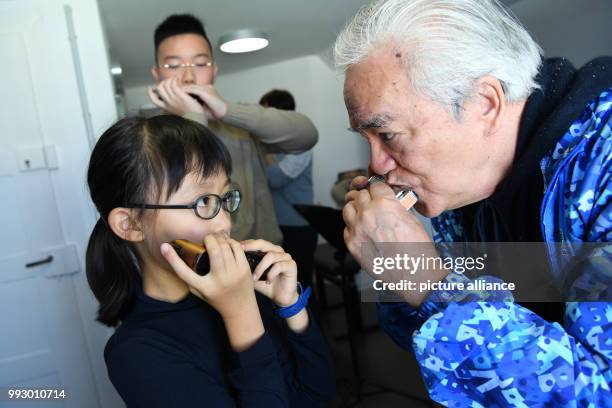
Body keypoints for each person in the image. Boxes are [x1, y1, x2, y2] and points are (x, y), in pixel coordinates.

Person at [334, 0, 611, 406]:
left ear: (485, 103)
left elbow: (601, 389)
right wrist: (393, 261)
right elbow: (423, 338)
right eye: (367, 140)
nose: (376, 165)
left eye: (388, 135)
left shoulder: (603, 162)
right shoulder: (466, 183)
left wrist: (428, 282)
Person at [85, 115, 335, 407]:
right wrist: (241, 314)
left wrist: (291, 306)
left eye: (224, 197)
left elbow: (319, 391)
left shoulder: (245, 286)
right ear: (130, 224)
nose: (224, 223)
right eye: (202, 202)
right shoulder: (137, 353)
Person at [147, 14, 318, 244]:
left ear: (214, 70)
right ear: (157, 74)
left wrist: (226, 110)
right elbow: (199, 193)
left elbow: (306, 135)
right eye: (174, 65)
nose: (188, 77)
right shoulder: (146, 138)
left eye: (199, 64)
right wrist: (194, 116)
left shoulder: (236, 123)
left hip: (260, 264)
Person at [260, 89, 317, 290]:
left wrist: (263, 151)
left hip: (298, 228)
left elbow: (275, 179)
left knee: (301, 286)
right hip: (277, 228)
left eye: (266, 115)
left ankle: (310, 322)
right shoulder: (273, 147)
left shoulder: (301, 146)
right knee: (281, 287)